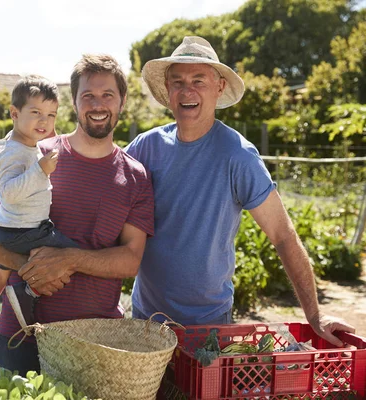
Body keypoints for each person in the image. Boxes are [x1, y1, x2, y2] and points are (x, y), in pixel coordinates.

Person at [126, 36, 355, 346]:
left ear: (220, 87)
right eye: (177, 81)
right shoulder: (145, 148)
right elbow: (103, 193)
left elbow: (283, 235)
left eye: (198, 80)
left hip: (207, 325)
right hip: (145, 318)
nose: (186, 90)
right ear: (167, 89)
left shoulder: (237, 155)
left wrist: (315, 315)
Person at [0, 54, 154, 373]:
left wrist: (69, 259)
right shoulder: (37, 153)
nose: (98, 104)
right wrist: (29, 266)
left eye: (107, 95)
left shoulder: (135, 176)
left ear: (122, 101)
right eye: (88, 96)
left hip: (96, 340)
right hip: (23, 336)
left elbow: (131, 259)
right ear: (74, 101)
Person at [0, 75, 79, 346]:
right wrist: (40, 171)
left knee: (1, 271)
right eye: (36, 113)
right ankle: (27, 291)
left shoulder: (20, 143)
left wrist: (47, 135)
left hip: (12, 228)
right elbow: (9, 193)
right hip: (25, 230)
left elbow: (38, 134)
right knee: (71, 254)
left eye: (51, 115)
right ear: (14, 113)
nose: (45, 122)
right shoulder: (16, 153)